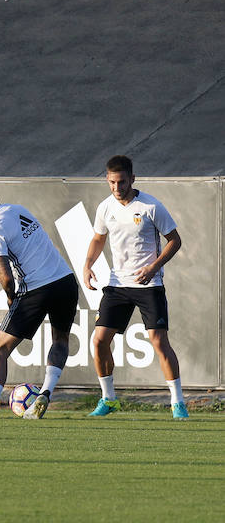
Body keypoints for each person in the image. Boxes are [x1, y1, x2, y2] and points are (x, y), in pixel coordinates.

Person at [0, 173, 78, 420]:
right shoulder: (17, 210)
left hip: (36, 289)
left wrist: (11, 298)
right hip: (65, 282)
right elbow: (21, 256)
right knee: (60, 340)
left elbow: (7, 275)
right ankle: (45, 393)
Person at [83, 155, 188, 419]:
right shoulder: (105, 207)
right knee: (98, 341)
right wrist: (87, 264)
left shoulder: (151, 206)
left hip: (149, 283)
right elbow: (98, 238)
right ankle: (109, 400)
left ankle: (178, 403)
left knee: (158, 341)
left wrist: (154, 267)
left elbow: (175, 241)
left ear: (132, 178)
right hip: (118, 284)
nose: (117, 188)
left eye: (121, 182)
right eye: (111, 182)